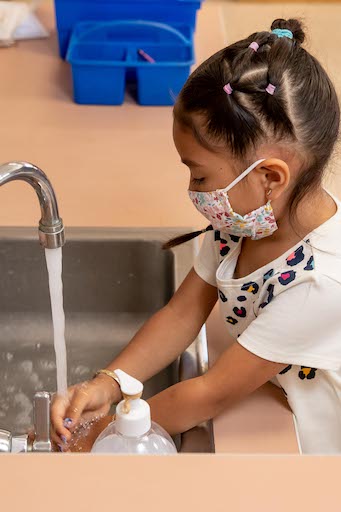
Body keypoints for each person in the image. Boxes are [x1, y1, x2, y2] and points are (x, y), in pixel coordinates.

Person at [51, 18, 341, 454]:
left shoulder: (320, 283)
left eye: (200, 175)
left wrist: (104, 433)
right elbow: (182, 314)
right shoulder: (249, 220)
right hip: (273, 401)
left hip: (316, 450)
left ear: (269, 177)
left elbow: (211, 394)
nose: (194, 191)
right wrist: (109, 384)